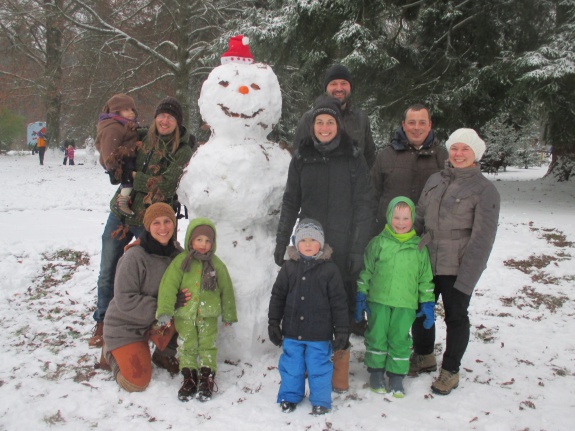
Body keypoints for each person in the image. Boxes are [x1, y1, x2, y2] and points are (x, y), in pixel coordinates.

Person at [274, 96, 374, 392]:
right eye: (320, 122)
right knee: (311, 300)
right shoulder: (302, 156)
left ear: (339, 125)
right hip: (309, 242)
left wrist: (358, 248)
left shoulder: (354, 156)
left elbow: (364, 203)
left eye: (330, 122)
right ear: (312, 125)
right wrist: (283, 241)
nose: (325, 127)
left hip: (343, 243)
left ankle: (340, 362)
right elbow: (291, 200)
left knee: (340, 301)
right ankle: (311, 362)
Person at [89, 96, 194, 349]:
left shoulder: (182, 150)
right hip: (121, 212)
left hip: (152, 221)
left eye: (171, 117)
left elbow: (167, 184)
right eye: (161, 115)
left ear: (178, 123)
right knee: (108, 269)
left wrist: (133, 175)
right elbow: (113, 136)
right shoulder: (143, 135)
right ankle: (103, 320)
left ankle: (153, 324)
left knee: (152, 275)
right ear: (155, 117)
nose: (165, 120)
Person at [409, 128, 500, 395]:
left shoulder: (485, 190)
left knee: (456, 316)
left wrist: (468, 278)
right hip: (427, 259)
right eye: (455, 148)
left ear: (476, 154)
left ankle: (450, 369)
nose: (458, 154)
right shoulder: (435, 179)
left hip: (457, 264)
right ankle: (424, 355)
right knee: (420, 308)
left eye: (465, 150)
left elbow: (483, 239)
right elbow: (419, 216)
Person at [355, 196, 435, 398]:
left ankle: (397, 375)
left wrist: (426, 303)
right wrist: (361, 295)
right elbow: (366, 271)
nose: (400, 223)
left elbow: (425, 278)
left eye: (405, 218)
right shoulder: (378, 243)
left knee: (400, 338)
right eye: (396, 217)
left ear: (413, 219)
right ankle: (376, 372)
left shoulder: (418, 248)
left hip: (405, 304)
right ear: (389, 217)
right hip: (379, 301)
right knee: (377, 335)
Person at [269, 219, 348, 415]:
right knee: (291, 367)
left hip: (319, 334)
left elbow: (339, 303)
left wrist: (342, 331)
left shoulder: (330, 270)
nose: (308, 244)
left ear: (321, 244)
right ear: (296, 243)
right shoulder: (289, 268)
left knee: (319, 368)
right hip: (292, 331)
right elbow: (278, 296)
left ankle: (320, 400)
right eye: (303, 240)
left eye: (313, 240)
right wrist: (273, 323)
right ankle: (290, 396)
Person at [102, 203, 184, 392]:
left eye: (167, 221)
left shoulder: (177, 255)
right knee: (136, 382)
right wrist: (165, 306)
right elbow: (124, 299)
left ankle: (164, 354)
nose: (163, 228)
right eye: (156, 223)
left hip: (158, 322)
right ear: (147, 226)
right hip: (127, 325)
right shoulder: (135, 257)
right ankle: (110, 350)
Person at [156, 218, 237, 402]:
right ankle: (189, 378)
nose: (203, 245)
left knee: (208, 345)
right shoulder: (181, 262)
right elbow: (168, 287)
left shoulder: (216, 264)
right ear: (190, 241)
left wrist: (229, 313)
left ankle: (207, 378)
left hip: (208, 314)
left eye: (208, 241)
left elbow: (226, 289)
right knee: (186, 345)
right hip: (185, 315)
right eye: (199, 240)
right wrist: (165, 311)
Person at [371, 104, 448, 232]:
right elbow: (371, 196)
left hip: (428, 238)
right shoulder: (386, 156)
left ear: (429, 125)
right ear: (404, 125)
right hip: (390, 237)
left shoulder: (443, 157)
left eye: (422, 123)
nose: (416, 127)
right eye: (412, 122)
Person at [292, 64, 376, 168]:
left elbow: (369, 158)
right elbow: (297, 160)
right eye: (333, 84)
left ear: (350, 87)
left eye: (344, 83)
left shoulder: (361, 118)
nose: (339, 88)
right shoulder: (309, 119)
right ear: (326, 88)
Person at [95, 93, 140, 216]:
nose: (131, 113)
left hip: (128, 157)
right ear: (116, 111)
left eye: (132, 109)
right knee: (128, 180)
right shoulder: (113, 128)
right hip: (122, 161)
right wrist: (114, 166)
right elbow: (108, 149)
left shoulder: (125, 124)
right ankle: (122, 202)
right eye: (126, 109)